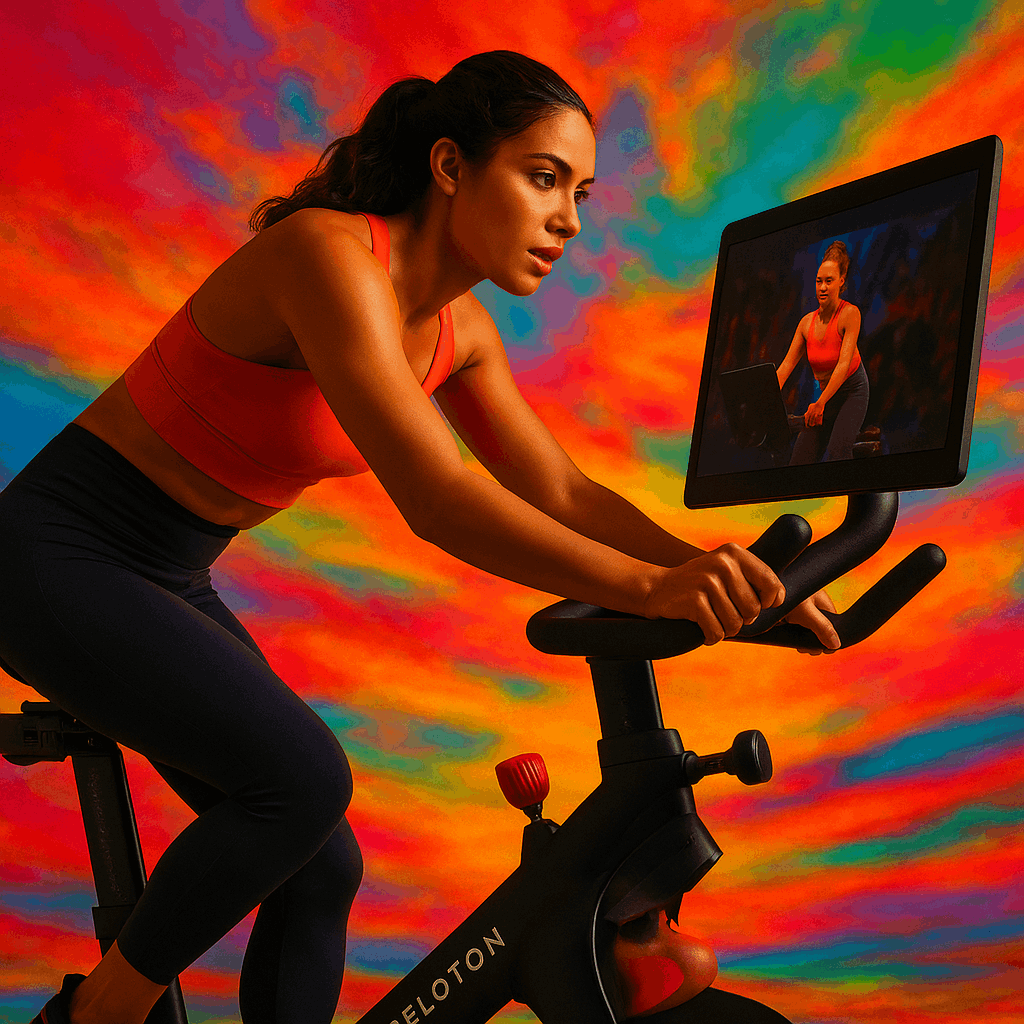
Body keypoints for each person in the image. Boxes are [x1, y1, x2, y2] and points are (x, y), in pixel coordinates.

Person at [1, 51, 840, 1024]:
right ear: (450, 166)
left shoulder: (458, 331)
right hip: (51, 553)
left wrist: (724, 572)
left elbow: (563, 487)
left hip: (167, 570)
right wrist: (645, 590)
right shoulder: (325, 255)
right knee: (302, 781)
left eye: (580, 191)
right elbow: (437, 495)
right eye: (541, 177)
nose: (567, 217)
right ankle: (98, 1013)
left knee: (321, 866)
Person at [776, 240, 870, 465]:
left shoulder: (850, 314)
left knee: (838, 453)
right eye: (819, 281)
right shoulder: (805, 323)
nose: (822, 287)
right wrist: (764, 400)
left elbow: (843, 364)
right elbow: (786, 366)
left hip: (852, 391)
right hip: (825, 397)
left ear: (841, 281)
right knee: (799, 461)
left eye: (829, 281)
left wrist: (820, 402)